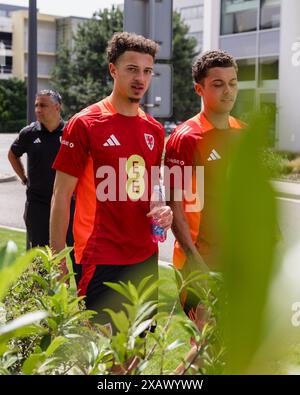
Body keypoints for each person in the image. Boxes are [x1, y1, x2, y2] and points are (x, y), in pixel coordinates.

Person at [50, 32, 172, 331]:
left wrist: (163, 209)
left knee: (137, 354)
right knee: (102, 352)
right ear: (113, 70)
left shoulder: (154, 129)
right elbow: (61, 195)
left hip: (145, 255)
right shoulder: (86, 123)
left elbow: (153, 185)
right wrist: (57, 259)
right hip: (101, 255)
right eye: (132, 69)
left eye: (147, 71)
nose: (140, 78)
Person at [164, 50, 246, 373]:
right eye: (218, 84)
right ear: (200, 89)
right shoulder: (185, 139)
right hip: (198, 262)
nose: (228, 91)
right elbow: (176, 208)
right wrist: (197, 266)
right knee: (208, 342)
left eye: (233, 83)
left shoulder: (243, 133)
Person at [7, 90, 77, 279]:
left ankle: (82, 301)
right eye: (36, 105)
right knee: (39, 258)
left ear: (57, 107)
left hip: (69, 205)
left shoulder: (71, 132)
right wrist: (23, 177)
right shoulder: (29, 133)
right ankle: (40, 302)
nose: (38, 109)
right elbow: (13, 154)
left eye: (43, 105)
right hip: (38, 206)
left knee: (77, 256)